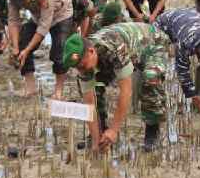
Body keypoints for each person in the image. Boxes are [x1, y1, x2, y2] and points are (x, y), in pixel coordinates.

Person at [61, 22, 172, 152]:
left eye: (82, 66)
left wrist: (114, 130)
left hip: (153, 43)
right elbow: (89, 103)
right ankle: (101, 134)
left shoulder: (114, 48)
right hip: (124, 51)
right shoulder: (84, 61)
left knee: (150, 78)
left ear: (91, 52)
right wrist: (96, 142)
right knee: (95, 87)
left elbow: (126, 91)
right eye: (77, 68)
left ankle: (152, 132)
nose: (81, 70)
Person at [7, 0, 74, 100]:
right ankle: (30, 88)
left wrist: (27, 51)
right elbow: (13, 21)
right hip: (37, 17)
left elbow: (43, 27)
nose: (21, 3)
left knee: (59, 51)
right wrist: (16, 47)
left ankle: (58, 91)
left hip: (62, 15)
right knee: (22, 43)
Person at [154, 8, 200, 115]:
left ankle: (199, 102)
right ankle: (149, 103)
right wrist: (195, 98)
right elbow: (182, 73)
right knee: (154, 65)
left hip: (191, 21)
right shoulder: (185, 43)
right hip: (164, 24)